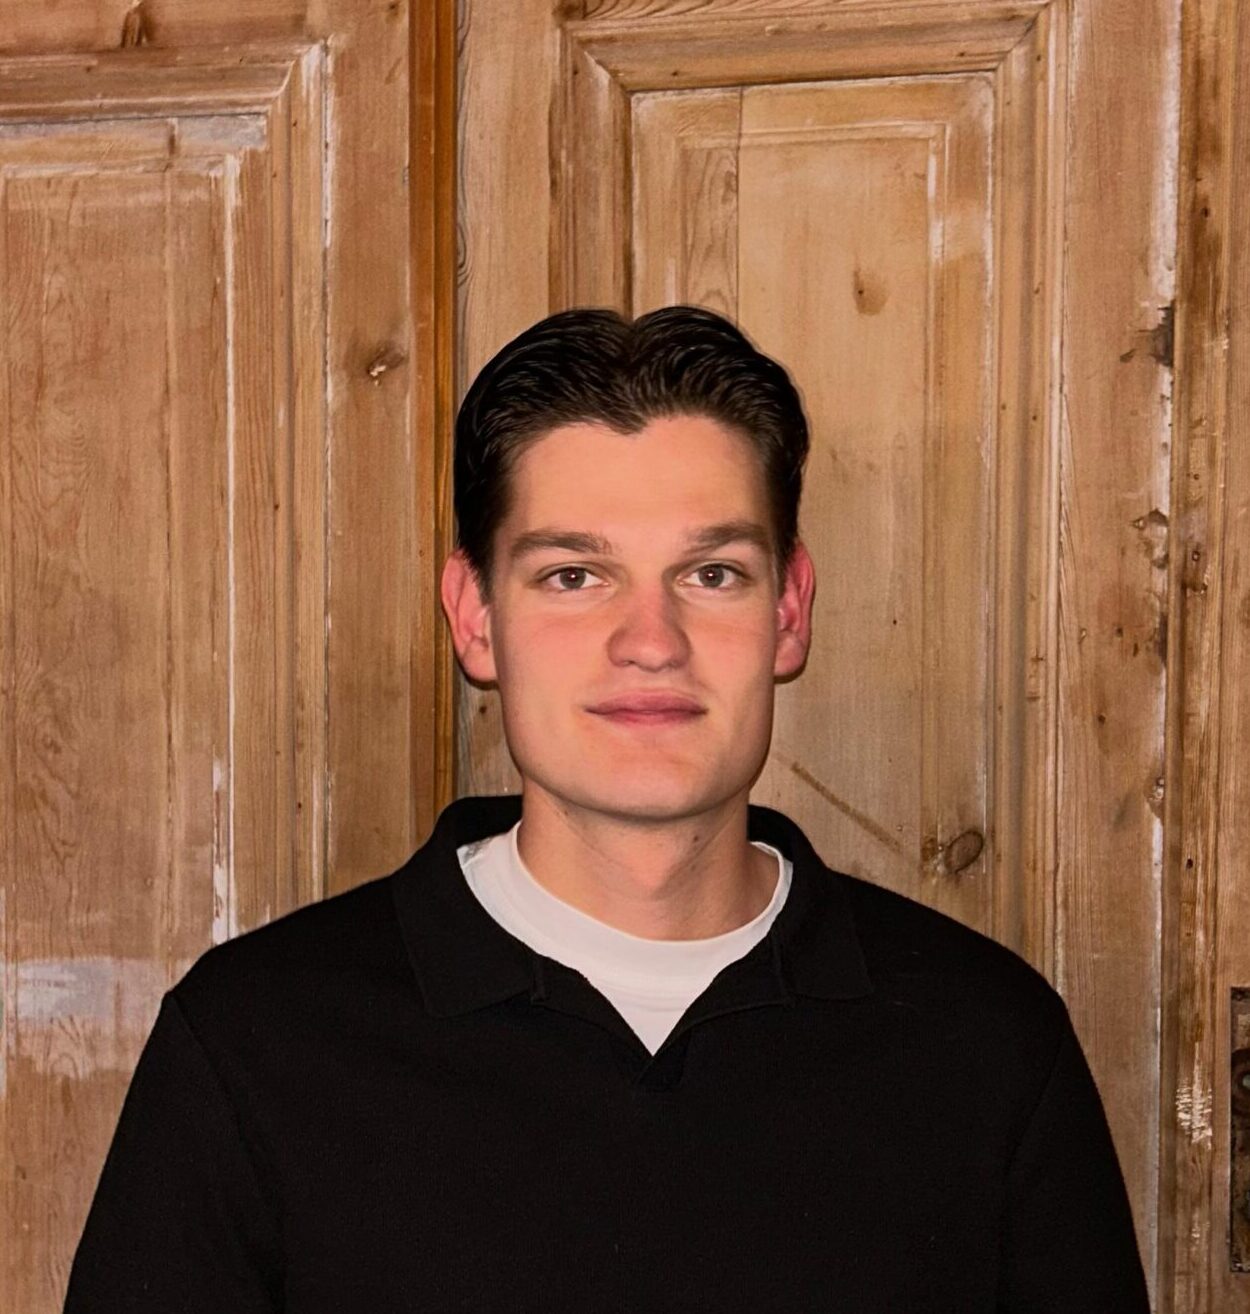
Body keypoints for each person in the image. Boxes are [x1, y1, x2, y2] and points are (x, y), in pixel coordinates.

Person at [65, 306, 1149, 1311]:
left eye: (711, 574)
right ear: (474, 618)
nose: (650, 642)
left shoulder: (986, 1045)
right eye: (574, 576)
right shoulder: (255, 1044)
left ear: (789, 611)